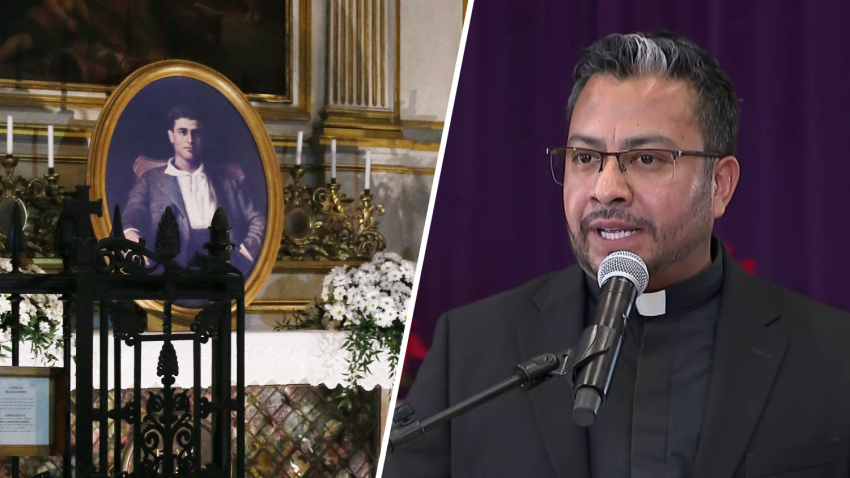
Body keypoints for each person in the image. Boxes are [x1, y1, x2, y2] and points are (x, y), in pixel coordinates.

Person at [383, 32, 850, 478]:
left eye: (647, 159)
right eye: (585, 158)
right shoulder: (471, 350)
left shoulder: (832, 358)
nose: (607, 189)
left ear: (720, 185)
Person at [123, 105, 266, 274]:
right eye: (183, 132)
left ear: (203, 137)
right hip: (172, 271)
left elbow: (259, 219)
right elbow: (132, 215)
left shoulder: (227, 183)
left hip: (223, 269)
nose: (190, 139)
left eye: (196, 133)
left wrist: (245, 253)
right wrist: (132, 236)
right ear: (171, 136)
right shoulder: (151, 180)